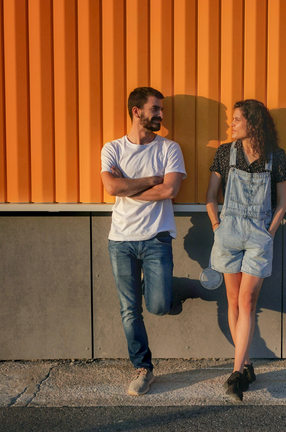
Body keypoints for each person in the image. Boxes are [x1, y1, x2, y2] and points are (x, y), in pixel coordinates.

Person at [100, 87, 187, 396]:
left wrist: (128, 186)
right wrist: (153, 179)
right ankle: (143, 368)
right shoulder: (112, 149)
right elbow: (111, 187)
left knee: (159, 305)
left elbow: (169, 191)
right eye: (155, 109)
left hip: (156, 239)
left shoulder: (169, 149)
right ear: (136, 111)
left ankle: (176, 287)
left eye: (160, 110)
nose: (160, 115)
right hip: (121, 240)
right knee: (129, 310)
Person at [205, 99, 286, 401]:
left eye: (237, 119)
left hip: (258, 236)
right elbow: (210, 196)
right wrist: (217, 226)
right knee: (232, 301)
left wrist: (269, 233)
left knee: (247, 299)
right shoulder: (225, 153)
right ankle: (246, 366)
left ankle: (235, 373)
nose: (232, 124)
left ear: (253, 122)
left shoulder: (275, 157)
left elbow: (282, 203)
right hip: (228, 233)